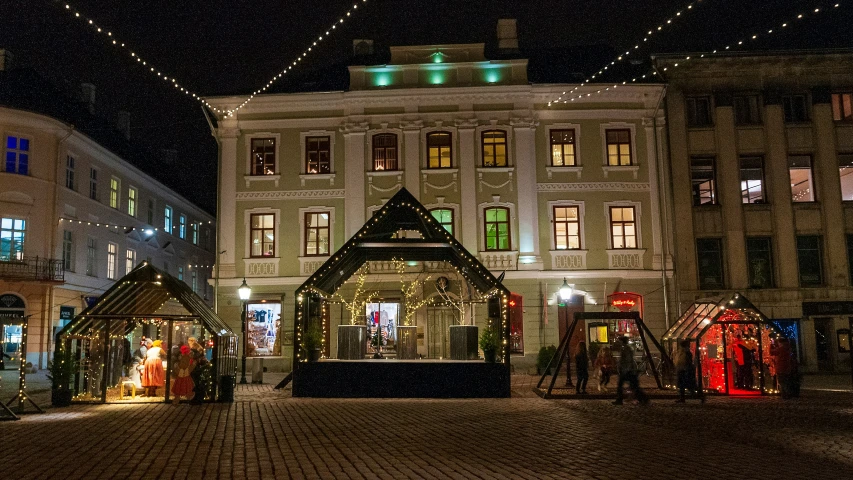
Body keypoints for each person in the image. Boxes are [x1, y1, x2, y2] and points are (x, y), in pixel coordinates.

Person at [613, 336, 649, 406]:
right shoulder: (625, 348)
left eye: (619, 341)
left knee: (628, 386)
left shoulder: (626, 349)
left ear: (622, 342)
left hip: (628, 371)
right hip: (628, 370)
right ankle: (644, 399)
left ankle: (620, 399)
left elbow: (628, 360)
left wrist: (626, 370)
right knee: (633, 386)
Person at [187, 337, 208, 405]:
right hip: (198, 367)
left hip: (196, 367)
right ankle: (197, 397)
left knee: (196, 382)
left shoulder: (194, 348)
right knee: (196, 382)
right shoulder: (198, 347)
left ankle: (198, 398)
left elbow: (193, 358)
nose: (188, 343)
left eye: (189, 342)